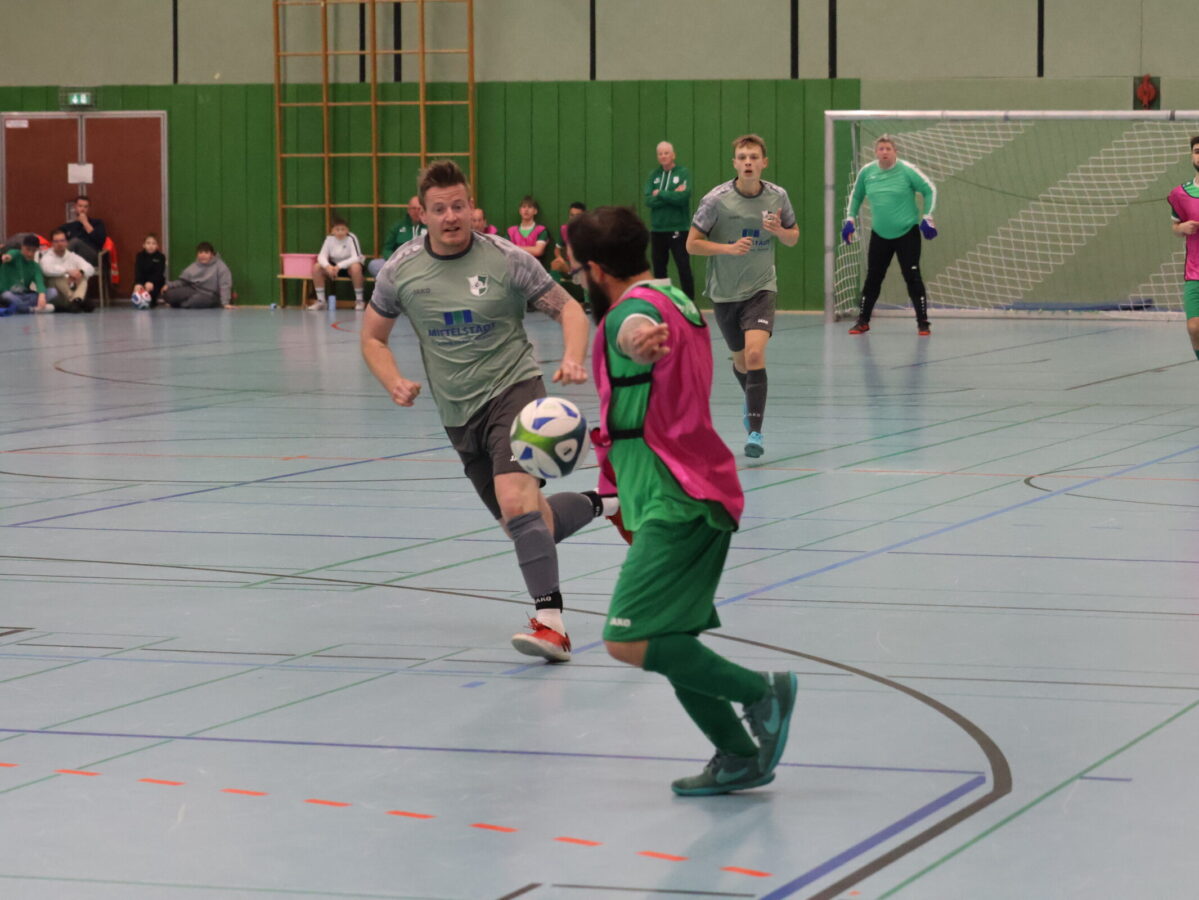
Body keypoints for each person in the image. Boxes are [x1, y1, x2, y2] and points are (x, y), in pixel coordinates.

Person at [566, 205, 796, 796]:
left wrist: (636, 341)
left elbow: (634, 333)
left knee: (626, 637)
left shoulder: (633, 313)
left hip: (675, 497)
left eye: (576, 270)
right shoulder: (675, 298)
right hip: (699, 487)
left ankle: (760, 693)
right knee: (671, 638)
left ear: (596, 270)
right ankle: (738, 754)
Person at [361, 160, 620, 663]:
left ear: (472, 207)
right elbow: (373, 337)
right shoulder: (400, 270)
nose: (451, 217)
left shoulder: (506, 259)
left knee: (517, 505)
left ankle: (551, 624)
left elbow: (568, 307)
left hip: (514, 391)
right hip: (458, 414)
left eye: (459, 206)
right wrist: (392, 380)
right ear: (422, 214)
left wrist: (571, 356)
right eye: (440, 209)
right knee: (530, 524)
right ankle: (611, 504)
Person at [687, 133, 798, 459]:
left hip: (761, 288)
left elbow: (793, 237)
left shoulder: (778, 196)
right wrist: (728, 248)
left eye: (753, 157)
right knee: (740, 361)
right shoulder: (716, 200)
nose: (748, 162)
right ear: (734, 163)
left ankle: (755, 433)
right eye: (742, 157)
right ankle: (751, 402)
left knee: (754, 355)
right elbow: (692, 244)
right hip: (724, 293)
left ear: (764, 162)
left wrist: (780, 232)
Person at [842, 134, 938, 336]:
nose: (884, 152)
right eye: (881, 149)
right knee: (873, 278)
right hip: (880, 234)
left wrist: (927, 216)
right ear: (876, 152)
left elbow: (929, 190)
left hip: (907, 233)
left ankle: (923, 322)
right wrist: (850, 219)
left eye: (888, 149)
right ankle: (863, 321)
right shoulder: (867, 172)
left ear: (895, 152)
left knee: (912, 276)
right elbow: (856, 196)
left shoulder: (907, 170)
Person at [645, 141, 695, 300]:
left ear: (673, 155)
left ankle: (689, 303)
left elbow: (683, 197)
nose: (663, 156)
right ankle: (662, 302)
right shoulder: (654, 175)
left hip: (679, 229)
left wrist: (660, 193)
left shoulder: (683, 173)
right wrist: (673, 194)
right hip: (657, 230)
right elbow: (648, 200)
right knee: (659, 270)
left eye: (666, 153)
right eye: (660, 153)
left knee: (683, 267)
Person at [1168, 135, 1199, 362]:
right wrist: (1182, 228)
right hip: (1195, 272)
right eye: (1197, 151)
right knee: (1194, 327)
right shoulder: (1180, 194)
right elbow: (1175, 227)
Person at [309, 216, 367, 311]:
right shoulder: (329, 239)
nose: (340, 232)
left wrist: (339, 266)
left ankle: (359, 300)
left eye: (343, 229)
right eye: (337, 229)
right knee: (317, 267)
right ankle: (321, 301)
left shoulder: (351, 238)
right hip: (333, 268)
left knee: (356, 267)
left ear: (347, 230)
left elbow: (356, 257)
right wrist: (328, 267)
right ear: (332, 231)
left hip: (349, 267)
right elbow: (321, 256)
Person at [161, 242, 234, 309]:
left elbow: (225, 285)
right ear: (197, 254)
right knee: (168, 295)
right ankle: (180, 303)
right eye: (200, 252)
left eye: (206, 252)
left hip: (210, 295)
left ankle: (179, 305)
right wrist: (169, 285)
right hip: (193, 290)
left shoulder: (221, 266)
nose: (203, 255)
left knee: (194, 301)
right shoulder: (194, 266)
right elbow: (183, 281)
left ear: (212, 255)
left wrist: (225, 303)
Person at [39, 228, 96, 313]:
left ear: (67, 242)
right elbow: (46, 270)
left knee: (82, 276)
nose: (59, 244)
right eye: (56, 241)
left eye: (62, 241)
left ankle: (76, 301)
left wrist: (80, 272)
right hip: (56, 295)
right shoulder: (47, 257)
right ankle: (77, 300)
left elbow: (90, 268)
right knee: (58, 277)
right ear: (52, 243)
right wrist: (67, 272)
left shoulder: (72, 256)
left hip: (70, 289)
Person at [368, 196, 426, 276]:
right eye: (413, 208)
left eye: (419, 209)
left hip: (422, 264)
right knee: (374, 264)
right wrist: (396, 260)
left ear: (424, 210)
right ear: (408, 210)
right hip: (399, 263)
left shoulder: (431, 227)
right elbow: (387, 249)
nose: (416, 211)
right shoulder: (398, 226)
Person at [0, 235, 52, 314]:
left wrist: (42, 296)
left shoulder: (35, 266)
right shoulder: (16, 254)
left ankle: (20, 307)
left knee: (52, 292)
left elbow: (39, 282)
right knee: (8, 296)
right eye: (28, 249)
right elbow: (11, 255)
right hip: (8, 293)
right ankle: (30, 309)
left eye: (33, 251)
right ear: (22, 247)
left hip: (24, 295)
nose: (30, 254)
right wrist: (7, 257)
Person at [58, 196, 107, 266]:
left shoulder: (97, 223)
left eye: (85, 207)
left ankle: (57, 263)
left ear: (88, 209)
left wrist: (85, 223)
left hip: (92, 255)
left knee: (75, 241)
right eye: (80, 206)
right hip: (73, 257)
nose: (82, 209)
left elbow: (100, 241)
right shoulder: (69, 226)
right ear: (75, 207)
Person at [506, 196, 549, 265]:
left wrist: (514, 247)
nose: (526, 210)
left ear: (535, 211)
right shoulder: (511, 231)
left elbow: (538, 251)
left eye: (530, 207)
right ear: (520, 211)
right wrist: (531, 249)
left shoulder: (541, 230)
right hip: (514, 267)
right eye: (523, 207)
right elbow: (506, 249)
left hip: (534, 268)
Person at [133, 234, 167, 308]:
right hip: (143, 281)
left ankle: (152, 300)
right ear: (144, 245)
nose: (151, 246)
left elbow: (159, 273)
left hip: (156, 282)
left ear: (157, 246)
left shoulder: (161, 257)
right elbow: (138, 271)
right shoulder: (140, 256)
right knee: (137, 288)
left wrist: (151, 282)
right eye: (148, 243)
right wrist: (139, 283)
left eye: (153, 243)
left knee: (150, 301)